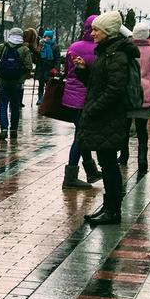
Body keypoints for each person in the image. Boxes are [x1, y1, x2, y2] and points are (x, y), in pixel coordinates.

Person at [72, 12, 139, 226]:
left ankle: (112, 210)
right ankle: (109, 207)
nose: (92, 33)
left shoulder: (116, 55)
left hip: (108, 117)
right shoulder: (108, 52)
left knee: (109, 164)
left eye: (96, 30)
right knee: (107, 162)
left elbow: (114, 89)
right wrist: (84, 71)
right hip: (105, 117)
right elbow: (98, 82)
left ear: (108, 32)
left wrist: (93, 109)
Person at [61, 16, 102, 189]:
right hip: (88, 97)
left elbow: (66, 69)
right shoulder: (100, 49)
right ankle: (70, 178)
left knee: (81, 133)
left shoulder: (74, 47)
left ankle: (91, 171)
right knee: (80, 136)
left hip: (71, 96)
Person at [119, 28, 150, 171]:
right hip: (146, 93)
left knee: (124, 127)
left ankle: (124, 156)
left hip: (127, 92)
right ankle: (142, 159)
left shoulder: (125, 50)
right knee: (142, 129)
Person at [0, 27, 34, 141]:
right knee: (15, 107)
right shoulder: (24, 49)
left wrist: (0, 67)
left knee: (3, 106)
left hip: (2, 81)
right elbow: (29, 66)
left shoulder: (2, 47)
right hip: (17, 83)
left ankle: (3, 130)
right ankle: (13, 130)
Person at [34, 28, 61, 104]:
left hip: (49, 68)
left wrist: (56, 68)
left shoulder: (55, 46)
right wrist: (39, 48)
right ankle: (40, 98)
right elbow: (36, 56)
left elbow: (57, 59)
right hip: (41, 68)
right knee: (40, 85)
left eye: (48, 37)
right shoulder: (41, 45)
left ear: (51, 37)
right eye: (46, 36)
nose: (47, 38)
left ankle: (47, 99)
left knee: (49, 85)